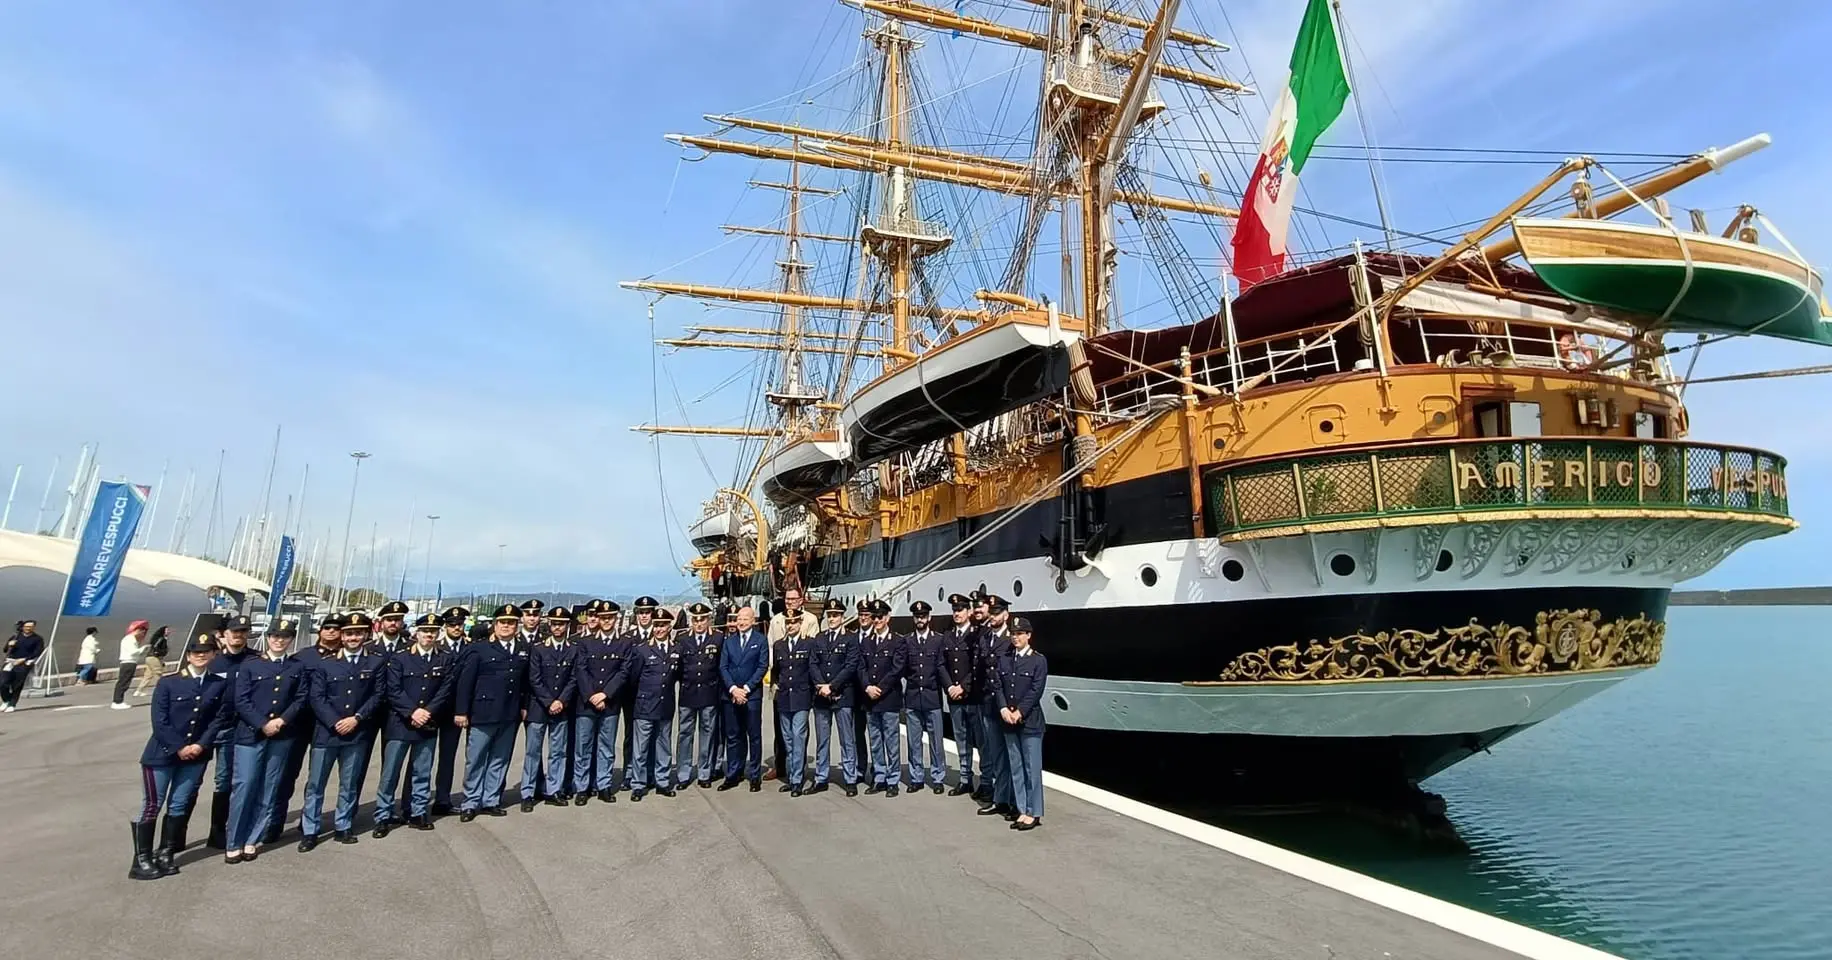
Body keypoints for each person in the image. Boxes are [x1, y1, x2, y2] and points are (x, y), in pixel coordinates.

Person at [127, 633, 230, 880]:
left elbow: (218, 719)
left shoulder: (218, 684)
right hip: (162, 755)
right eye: (195, 652)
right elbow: (159, 722)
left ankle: (165, 852)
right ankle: (141, 859)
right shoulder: (169, 683)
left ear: (214, 655)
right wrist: (179, 748)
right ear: (188, 656)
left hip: (196, 755)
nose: (200, 655)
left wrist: (201, 745)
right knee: (152, 805)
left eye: (206, 651)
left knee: (179, 804)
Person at [299, 612, 383, 849]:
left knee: (349, 783)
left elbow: (377, 695)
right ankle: (310, 830)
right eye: (348, 633)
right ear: (342, 637)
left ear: (365, 635)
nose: (353, 637)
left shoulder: (374, 663)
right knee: (316, 784)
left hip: (356, 732)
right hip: (327, 733)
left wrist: (356, 718)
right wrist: (335, 721)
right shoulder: (326, 664)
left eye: (357, 633)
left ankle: (343, 825)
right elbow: (317, 697)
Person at [224, 619, 305, 863]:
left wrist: (281, 721)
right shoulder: (251, 665)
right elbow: (242, 700)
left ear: (291, 639)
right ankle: (234, 841)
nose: (279, 640)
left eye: (285, 636)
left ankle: (252, 839)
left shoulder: (295, 667)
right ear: (268, 638)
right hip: (251, 734)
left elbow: (300, 698)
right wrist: (263, 723)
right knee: (245, 786)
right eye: (275, 636)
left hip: (282, 734)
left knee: (269, 789)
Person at [374, 615, 452, 836]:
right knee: (390, 774)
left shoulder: (444, 659)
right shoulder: (400, 658)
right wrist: (412, 712)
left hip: (428, 722)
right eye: (425, 630)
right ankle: (383, 814)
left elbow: (444, 690)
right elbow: (393, 689)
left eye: (433, 631)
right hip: (401, 723)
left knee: (422, 771)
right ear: (417, 633)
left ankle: (418, 812)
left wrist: (427, 712)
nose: (429, 635)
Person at [267, 614, 343, 842]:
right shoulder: (303, 657)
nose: (331, 632)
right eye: (327, 627)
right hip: (300, 723)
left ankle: (309, 820)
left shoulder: (345, 657)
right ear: (320, 631)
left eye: (336, 628)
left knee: (317, 778)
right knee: (286, 775)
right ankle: (274, 822)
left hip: (328, 725)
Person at [455, 604, 529, 822]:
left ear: (517, 625)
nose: (507, 626)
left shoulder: (523, 648)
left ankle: (491, 799)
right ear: (495, 625)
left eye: (511, 623)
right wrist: (461, 711)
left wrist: (523, 706)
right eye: (503, 622)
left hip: (509, 712)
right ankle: (470, 802)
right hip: (482, 711)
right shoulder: (479, 649)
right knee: (476, 759)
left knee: (500, 758)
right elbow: (465, 682)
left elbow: (524, 682)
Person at [573, 600, 632, 803]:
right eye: (603, 618)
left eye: (610, 618)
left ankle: (603, 785)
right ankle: (582, 787)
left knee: (606, 747)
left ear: (615, 619)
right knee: (584, 746)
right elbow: (581, 670)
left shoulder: (624, 643)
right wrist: (592, 695)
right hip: (586, 703)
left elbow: (623, 672)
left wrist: (605, 694)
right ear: (597, 618)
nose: (606, 621)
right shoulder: (585, 642)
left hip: (610, 702)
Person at [205, 615, 256, 850]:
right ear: (224, 635)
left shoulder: (255, 660)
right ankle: (175, 838)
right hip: (209, 728)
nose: (239, 635)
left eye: (243, 631)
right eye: (234, 631)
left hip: (239, 728)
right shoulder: (212, 661)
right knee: (191, 782)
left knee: (227, 780)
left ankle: (218, 830)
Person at [520, 605, 578, 812]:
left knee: (558, 752)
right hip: (539, 707)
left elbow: (573, 678)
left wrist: (561, 700)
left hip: (561, 707)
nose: (558, 627)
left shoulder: (573, 649)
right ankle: (527, 792)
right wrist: (548, 701)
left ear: (567, 625)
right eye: (554, 623)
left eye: (561, 624)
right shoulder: (539, 648)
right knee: (532, 752)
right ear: (550, 624)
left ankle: (553, 789)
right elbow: (534, 679)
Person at [995, 617, 1047, 831]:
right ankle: (1022, 808)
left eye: (1020, 633)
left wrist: (1020, 711)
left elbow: (1036, 689)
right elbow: (998, 685)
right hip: (1009, 720)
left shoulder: (1038, 661)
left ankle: (1034, 812)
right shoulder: (1005, 659)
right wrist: (1003, 709)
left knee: (1031, 767)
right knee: (1016, 767)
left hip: (1029, 721)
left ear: (1028, 635)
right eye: (1013, 634)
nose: (1015, 637)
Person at [627, 609, 680, 801]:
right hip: (645, 706)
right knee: (640, 749)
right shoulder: (642, 650)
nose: (659, 629)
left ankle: (662, 781)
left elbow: (677, 676)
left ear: (669, 627)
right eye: (656, 625)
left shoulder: (675, 650)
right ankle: (638, 784)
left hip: (665, 705)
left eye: (663, 625)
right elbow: (633, 679)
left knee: (663, 746)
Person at [809, 598, 859, 796]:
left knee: (847, 739)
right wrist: (821, 685)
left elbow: (851, 665)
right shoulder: (819, 639)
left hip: (842, 695)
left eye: (836, 615)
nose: (832, 618)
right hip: (822, 696)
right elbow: (813, 664)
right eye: (830, 615)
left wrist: (833, 686)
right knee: (822, 740)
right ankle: (821, 777)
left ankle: (850, 778)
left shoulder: (850, 639)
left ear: (842, 617)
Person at [717, 605, 767, 792]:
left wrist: (745, 689)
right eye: (739, 618)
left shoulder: (760, 640)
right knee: (733, 736)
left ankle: (754, 775)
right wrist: (733, 689)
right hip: (730, 695)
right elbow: (723, 667)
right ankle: (733, 773)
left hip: (751, 695)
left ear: (753, 621)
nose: (741, 622)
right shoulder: (729, 641)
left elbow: (762, 667)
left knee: (753, 735)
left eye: (745, 618)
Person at [975, 596, 1017, 819]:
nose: (993, 616)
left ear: (1006, 615)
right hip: (989, 705)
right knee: (995, 754)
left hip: (1006, 706)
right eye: (991, 612)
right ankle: (1000, 799)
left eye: (997, 612)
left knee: (1011, 756)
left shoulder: (1012, 641)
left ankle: (1013, 802)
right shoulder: (985, 638)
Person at [673, 603, 723, 789]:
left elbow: (720, 666)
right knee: (685, 734)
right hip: (688, 693)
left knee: (707, 734)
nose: (699, 623)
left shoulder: (718, 638)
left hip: (709, 693)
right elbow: (677, 667)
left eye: (702, 619)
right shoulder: (682, 639)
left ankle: (705, 772)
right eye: (695, 619)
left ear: (708, 619)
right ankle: (683, 774)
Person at [901, 601, 948, 795]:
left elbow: (941, 667)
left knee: (936, 741)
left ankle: (937, 777)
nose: (920, 619)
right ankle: (916, 777)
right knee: (914, 741)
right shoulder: (907, 641)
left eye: (923, 616)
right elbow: (903, 668)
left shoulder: (938, 640)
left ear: (929, 618)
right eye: (917, 617)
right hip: (913, 697)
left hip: (932, 698)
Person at [859, 600, 905, 797]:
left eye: (880, 617)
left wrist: (880, 688)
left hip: (889, 698)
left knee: (892, 741)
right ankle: (879, 777)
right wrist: (868, 686)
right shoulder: (866, 641)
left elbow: (897, 669)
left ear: (888, 618)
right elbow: (860, 667)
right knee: (875, 740)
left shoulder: (898, 641)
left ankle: (893, 778)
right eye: (874, 617)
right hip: (870, 698)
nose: (876, 620)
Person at [432, 605, 471, 816]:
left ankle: (442, 799)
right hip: (433, 710)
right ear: (445, 626)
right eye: (452, 624)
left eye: (459, 624)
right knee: (423, 759)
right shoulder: (435, 646)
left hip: (456, 710)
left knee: (448, 757)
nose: (456, 628)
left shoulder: (470, 647)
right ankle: (412, 802)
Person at [771, 612, 815, 796]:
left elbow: (813, 669)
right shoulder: (779, 645)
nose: (790, 626)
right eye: (788, 623)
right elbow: (777, 671)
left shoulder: (808, 644)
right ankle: (791, 776)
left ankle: (797, 779)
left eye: (794, 622)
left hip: (801, 697)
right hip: (784, 697)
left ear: (800, 623)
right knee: (787, 739)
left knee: (798, 736)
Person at [940, 594, 980, 796]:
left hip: (972, 696)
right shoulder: (947, 636)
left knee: (980, 741)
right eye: (955, 611)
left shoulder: (975, 635)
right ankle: (965, 779)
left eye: (961, 610)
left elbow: (977, 665)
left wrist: (962, 687)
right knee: (961, 739)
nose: (957, 614)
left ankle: (987, 782)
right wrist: (949, 687)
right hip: (954, 697)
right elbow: (941, 664)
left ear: (969, 612)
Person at [1, 619, 45, 711]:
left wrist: (24, 659)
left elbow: (37, 652)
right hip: (10, 661)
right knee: (3, 683)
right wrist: (9, 645)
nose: (28, 628)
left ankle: (12, 704)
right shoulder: (15, 636)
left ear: (33, 628)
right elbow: (5, 650)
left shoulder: (37, 639)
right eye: (26, 626)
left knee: (17, 684)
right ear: (23, 627)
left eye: (30, 627)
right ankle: (6, 700)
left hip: (24, 663)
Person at [110, 620, 151, 709]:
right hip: (128, 662)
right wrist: (143, 648)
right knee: (123, 682)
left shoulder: (131, 639)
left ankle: (118, 701)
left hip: (130, 662)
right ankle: (117, 701)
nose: (143, 632)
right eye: (141, 630)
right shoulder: (130, 639)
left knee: (124, 682)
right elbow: (133, 652)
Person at [134, 626, 170, 698]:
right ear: (163, 631)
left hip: (150, 658)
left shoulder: (160, 638)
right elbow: (156, 647)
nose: (169, 631)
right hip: (154, 658)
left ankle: (138, 691)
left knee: (148, 675)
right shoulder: (161, 639)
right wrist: (159, 653)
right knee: (158, 674)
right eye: (167, 630)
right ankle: (161, 691)